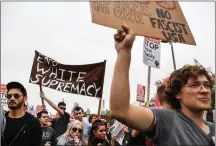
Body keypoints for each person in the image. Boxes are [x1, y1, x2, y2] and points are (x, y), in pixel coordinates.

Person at [110, 23, 215, 145]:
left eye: (207, 85)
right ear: (178, 93)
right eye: (195, 85)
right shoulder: (167, 119)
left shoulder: (213, 129)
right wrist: (124, 51)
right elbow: (120, 111)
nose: (204, 90)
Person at [1, 81, 42, 146]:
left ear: (25, 98)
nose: (12, 98)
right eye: (9, 96)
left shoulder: (34, 122)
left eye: (16, 96)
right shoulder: (2, 121)